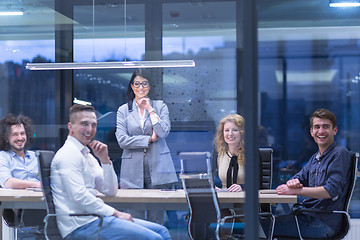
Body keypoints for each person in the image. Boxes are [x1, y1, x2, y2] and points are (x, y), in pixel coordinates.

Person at [51, 104, 171, 240]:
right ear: (70, 127)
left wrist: (104, 160)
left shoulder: (86, 155)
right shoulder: (68, 154)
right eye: (84, 124)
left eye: (94, 125)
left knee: (161, 231)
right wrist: (116, 213)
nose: (90, 129)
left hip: (95, 219)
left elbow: (110, 190)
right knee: (155, 238)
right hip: (80, 226)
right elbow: (80, 197)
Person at [272, 108, 351, 238]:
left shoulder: (339, 153)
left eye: (326, 127)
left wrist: (297, 191)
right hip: (308, 216)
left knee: (263, 225)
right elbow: (298, 177)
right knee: (265, 222)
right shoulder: (315, 158)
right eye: (317, 127)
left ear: (334, 130)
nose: (321, 131)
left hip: (322, 222)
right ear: (311, 131)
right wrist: (294, 182)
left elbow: (330, 190)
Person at [115, 69, 178, 221]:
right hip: (132, 170)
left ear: (150, 86)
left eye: (144, 83)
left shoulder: (160, 106)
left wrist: (150, 110)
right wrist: (148, 140)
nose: (141, 87)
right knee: (134, 216)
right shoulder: (124, 110)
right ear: (132, 86)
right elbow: (122, 140)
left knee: (157, 216)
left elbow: (163, 132)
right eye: (137, 84)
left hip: (159, 167)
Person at [0, 113, 40, 188]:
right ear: (6, 139)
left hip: (39, 199)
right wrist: (36, 184)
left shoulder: (36, 156)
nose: (20, 138)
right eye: (15, 134)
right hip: (16, 199)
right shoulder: (3, 157)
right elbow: (8, 183)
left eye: (22, 133)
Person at [213, 114, 245, 192]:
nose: (230, 134)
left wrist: (243, 187)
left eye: (235, 130)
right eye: (227, 130)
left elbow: (259, 183)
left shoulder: (251, 153)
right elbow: (209, 177)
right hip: (225, 200)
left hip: (247, 200)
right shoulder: (219, 153)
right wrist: (213, 188)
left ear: (242, 133)